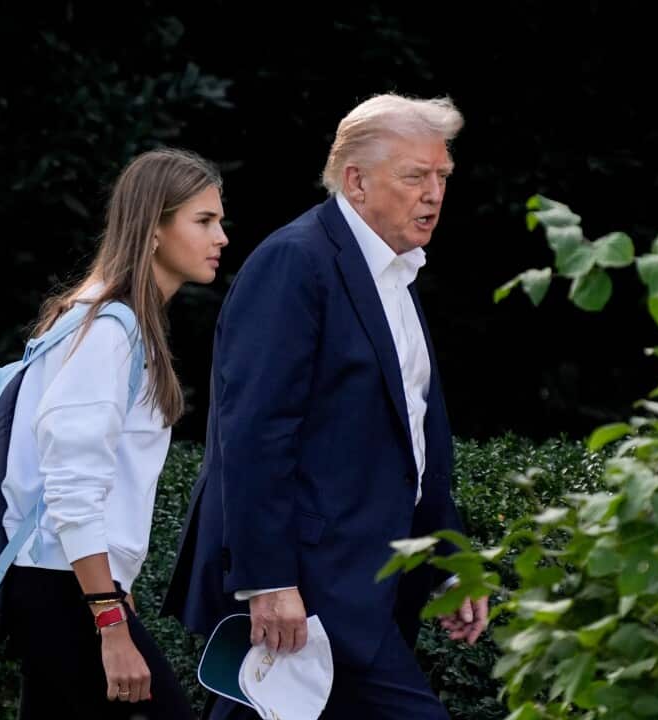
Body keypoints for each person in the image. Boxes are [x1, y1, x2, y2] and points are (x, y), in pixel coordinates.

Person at [163, 94, 487, 720]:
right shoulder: (295, 262)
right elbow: (253, 433)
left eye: (442, 176)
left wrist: (452, 562)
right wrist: (268, 580)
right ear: (356, 181)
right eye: (415, 176)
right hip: (311, 590)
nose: (434, 194)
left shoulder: (397, 273)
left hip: (364, 586)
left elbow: (416, 441)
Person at [1, 147, 228, 719]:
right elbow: (71, 485)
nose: (221, 236)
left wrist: (110, 594)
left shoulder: (101, 322)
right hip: (64, 589)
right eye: (203, 221)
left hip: (64, 585)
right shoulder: (108, 330)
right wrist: (109, 620)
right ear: (153, 229)